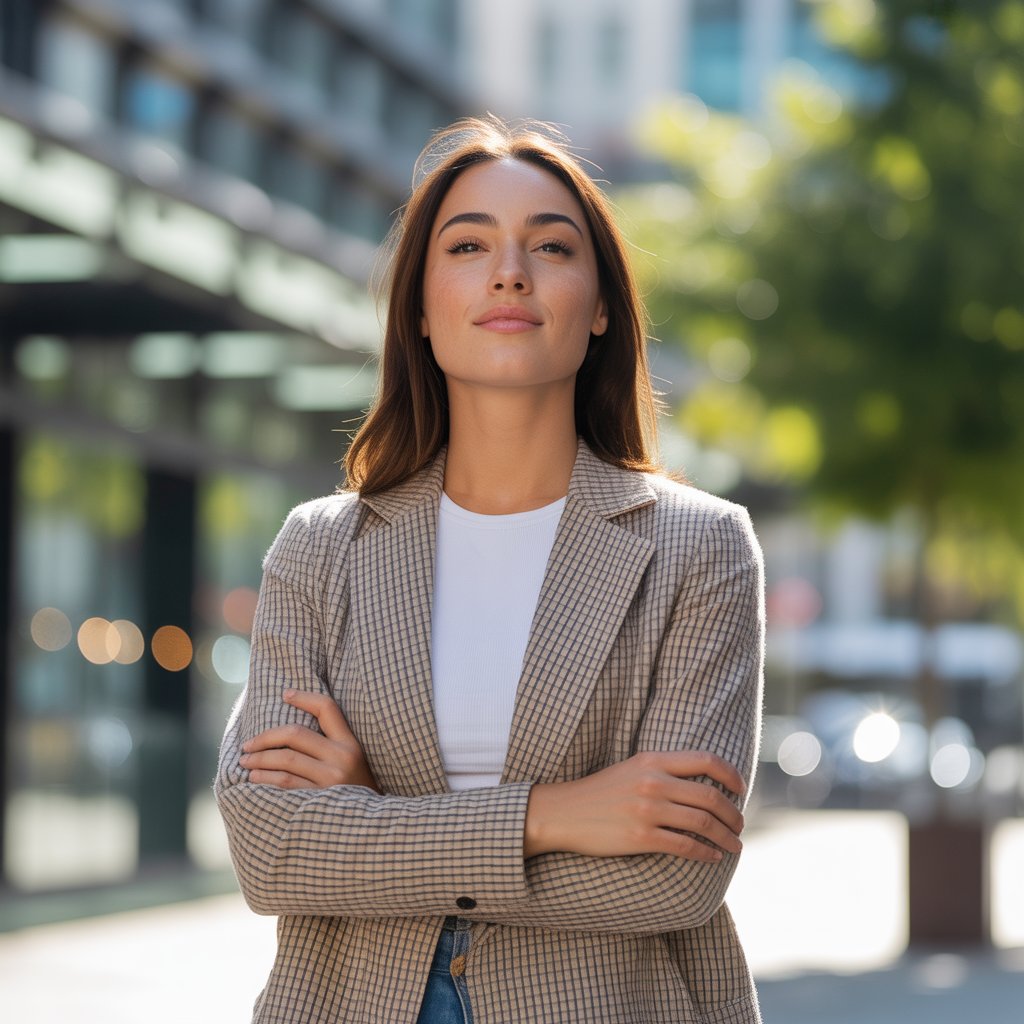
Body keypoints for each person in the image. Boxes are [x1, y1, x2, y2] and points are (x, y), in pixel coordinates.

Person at [216, 115, 765, 1024]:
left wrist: (372, 818)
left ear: (599, 309)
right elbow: (273, 852)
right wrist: (552, 816)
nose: (510, 270)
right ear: (422, 311)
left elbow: (673, 879)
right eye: (468, 245)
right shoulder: (320, 548)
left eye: (551, 246)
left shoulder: (699, 548)